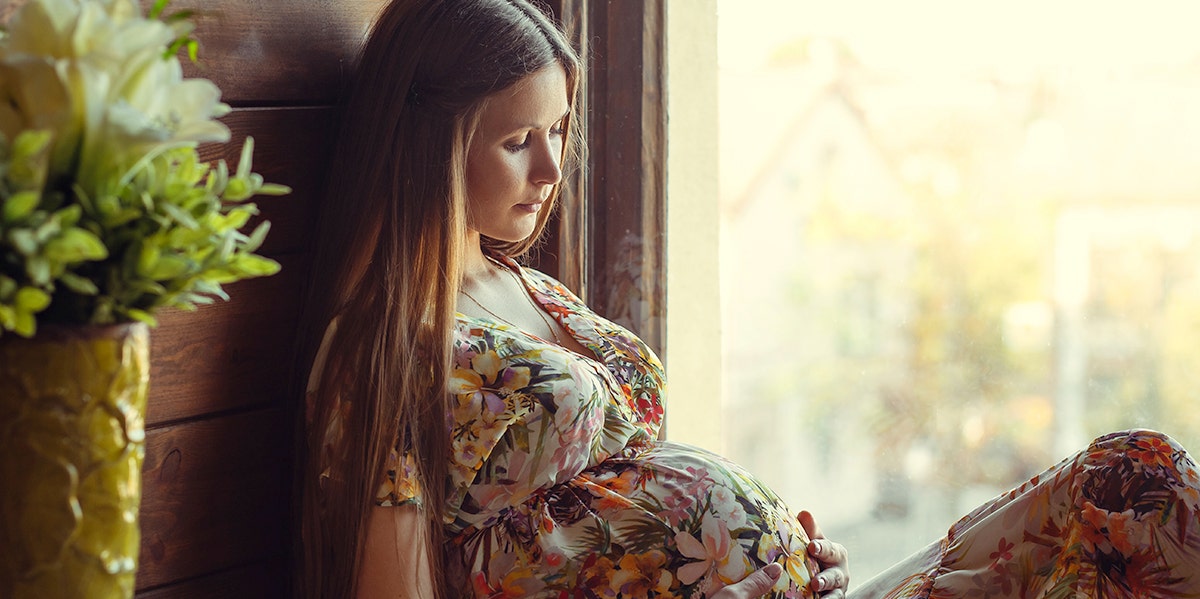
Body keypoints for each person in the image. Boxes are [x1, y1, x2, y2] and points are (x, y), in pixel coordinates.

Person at [297, 1, 1200, 598]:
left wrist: (775, 549)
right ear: (431, 142)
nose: (549, 168)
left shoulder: (524, 288)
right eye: (517, 139)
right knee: (1137, 502)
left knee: (1135, 474)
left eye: (561, 131)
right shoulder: (382, 349)